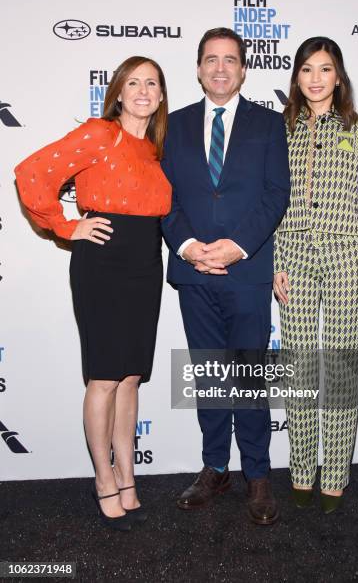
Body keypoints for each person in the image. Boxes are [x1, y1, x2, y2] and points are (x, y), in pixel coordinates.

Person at [15, 56, 171, 531]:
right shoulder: (100, 134)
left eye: (152, 83)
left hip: (146, 263)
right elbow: (32, 173)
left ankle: (128, 475)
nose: (143, 90)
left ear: (161, 96)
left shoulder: (153, 150)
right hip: (102, 264)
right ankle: (103, 478)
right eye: (133, 83)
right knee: (104, 377)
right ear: (118, 94)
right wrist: (65, 226)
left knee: (130, 378)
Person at [161, 28, 290, 525]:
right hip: (195, 273)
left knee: (249, 378)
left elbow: (276, 193)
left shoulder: (268, 124)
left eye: (230, 60)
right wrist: (192, 248)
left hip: (247, 271)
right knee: (212, 378)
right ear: (197, 68)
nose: (220, 68)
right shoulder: (172, 125)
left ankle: (257, 473)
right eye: (211, 60)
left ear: (243, 69)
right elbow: (163, 198)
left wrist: (235, 248)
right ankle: (216, 467)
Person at [273, 37, 358, 514]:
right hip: (295, 255)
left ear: (338, 76)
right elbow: (275, 202)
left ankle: (335, 475)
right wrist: (277, 259)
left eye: (325, 69)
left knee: (339, 369)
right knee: (299, 367)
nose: (316, 78)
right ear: (296, 78)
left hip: (347, 258)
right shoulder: (282, 131)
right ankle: (301, 471)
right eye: (306, 69)